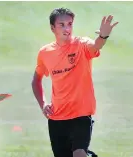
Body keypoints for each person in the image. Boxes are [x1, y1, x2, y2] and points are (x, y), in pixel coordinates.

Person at [31, 8, 118, 157]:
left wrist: (103, 36)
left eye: (70, 24)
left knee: (78, 154)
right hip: (57, 117)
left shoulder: (82, 45)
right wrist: (43, 104)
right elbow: (36, 81)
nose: (67, 28)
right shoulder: (45, 53)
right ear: (52, 28)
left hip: (81, 115)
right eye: (62, 25)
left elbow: (96, 45)